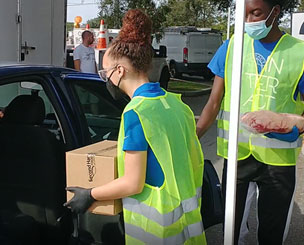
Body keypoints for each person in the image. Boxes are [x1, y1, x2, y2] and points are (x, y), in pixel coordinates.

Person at [65, 9, 206, 244]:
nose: (105, 80)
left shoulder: (136, 113)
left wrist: (89, 194)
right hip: (187, 226)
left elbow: (133, 182)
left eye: (105, 72)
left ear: (119, 71)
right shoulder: (177, 104)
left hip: (155, 233)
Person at [196, 0, 304, 244]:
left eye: (256, 14)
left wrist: (292, 125)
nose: (249, 22)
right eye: (243, 15)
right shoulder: (232, 46)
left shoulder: (299, 54)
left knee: (271, 234)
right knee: (230, 231)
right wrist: (194, 136)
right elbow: (214, 102)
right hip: (238, 157)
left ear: (275, 12)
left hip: (278, 162)